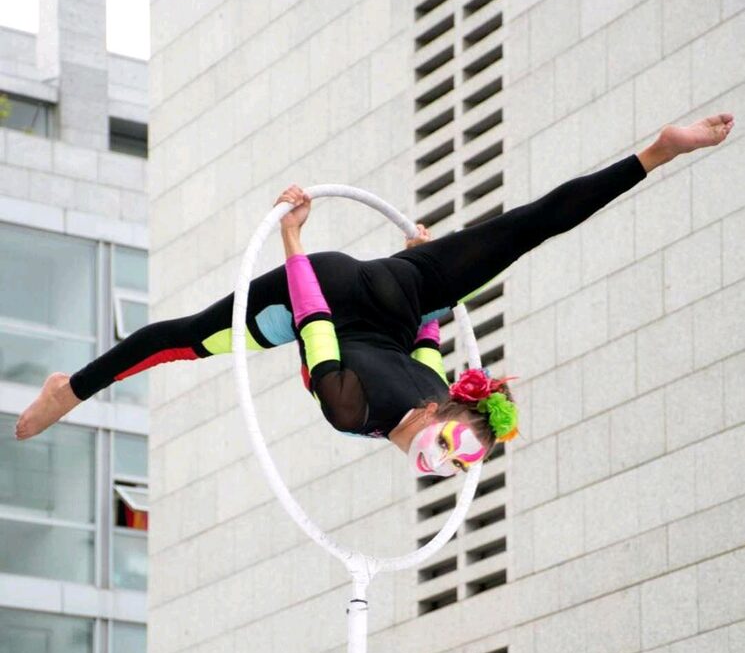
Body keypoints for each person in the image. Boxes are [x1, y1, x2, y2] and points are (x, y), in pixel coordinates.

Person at [15, 114, 733, 478]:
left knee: (525, 229)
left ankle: (658, 150)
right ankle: (71, 388)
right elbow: (314, 322)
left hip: (399, 291)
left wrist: (424, 269)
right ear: (437, 411)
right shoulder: (350, 413)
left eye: (456, 460)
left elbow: (422, 339)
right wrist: (293, 239)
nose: (450, 460)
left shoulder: (431, 388)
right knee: (186, 339)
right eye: (457, 447)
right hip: (325, 290)